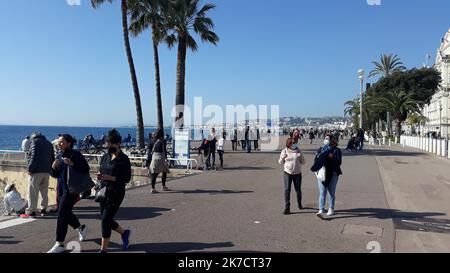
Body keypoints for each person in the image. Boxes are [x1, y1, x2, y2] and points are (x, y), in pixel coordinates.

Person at [47, 134, 89, 253]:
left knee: (61, 213)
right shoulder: (59, 155)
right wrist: (53, 168)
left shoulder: (75, 154)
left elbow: (85, 169)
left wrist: (72, 164)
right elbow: (55, 175)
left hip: (72, 190)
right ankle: (81, 228)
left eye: (62, 142)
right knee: (64, 213)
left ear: (69, 143)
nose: (59, 144)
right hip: (61, 189)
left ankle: (59, 243)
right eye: (59, 142)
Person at [96, 129, 132, 253]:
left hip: (116, 192)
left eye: (110, 143)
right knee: (106, 219)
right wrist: (100, 174)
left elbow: (127, 178)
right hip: (103, 191)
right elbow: (102, 169)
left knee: (105, 220)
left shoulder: (124, 159)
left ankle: (103, 250)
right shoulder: (105, 156)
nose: (107, 145)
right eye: (107, 143)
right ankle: (124, 233)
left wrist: (110, 178)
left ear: (117, 144)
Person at [24, 132, 54, 217]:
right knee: (44, 191)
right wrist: (50, 169)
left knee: (33, 192)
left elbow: (34, 157)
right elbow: (52, 157)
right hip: (46, 171)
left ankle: (31, 210)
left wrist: (30, 169)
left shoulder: (35, 143)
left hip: (36, 172)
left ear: (33, 137)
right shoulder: (49, 143)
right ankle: (44, 209)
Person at [312, 134, 342, 217]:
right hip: (322, 173)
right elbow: (316, 160)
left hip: (333, 174)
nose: (326, 140)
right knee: (322, 192)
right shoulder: (321, 149)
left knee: (331, 192)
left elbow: (339, 162)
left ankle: (331, 208)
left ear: (332, 140)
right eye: (325, 138)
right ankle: (321, 208)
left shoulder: (337, 150)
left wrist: (332, 158)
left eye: (327, 139)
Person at [279, 138, 305, 215]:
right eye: (293, 143)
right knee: (287, 190)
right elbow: (280, 162)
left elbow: (303, 162)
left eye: (295, 143)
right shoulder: (284, 151)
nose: (294, 144)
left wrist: (300, 156)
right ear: (289, 144)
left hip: (297, 173)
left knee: (298, 190)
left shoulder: (298, 150)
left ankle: (299, 203)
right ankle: (287, 208)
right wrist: (283, 157)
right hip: (287, 173)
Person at [148, 128, 170, 193]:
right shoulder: (163, 140)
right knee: (164, 171)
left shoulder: (152, 140)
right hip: (161, 158)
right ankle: (162, 186)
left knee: (154, 173)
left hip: (154, 157)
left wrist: (148, 159)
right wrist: (166, 158)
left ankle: (153, 188)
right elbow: (164, 150)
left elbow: (149, 150)